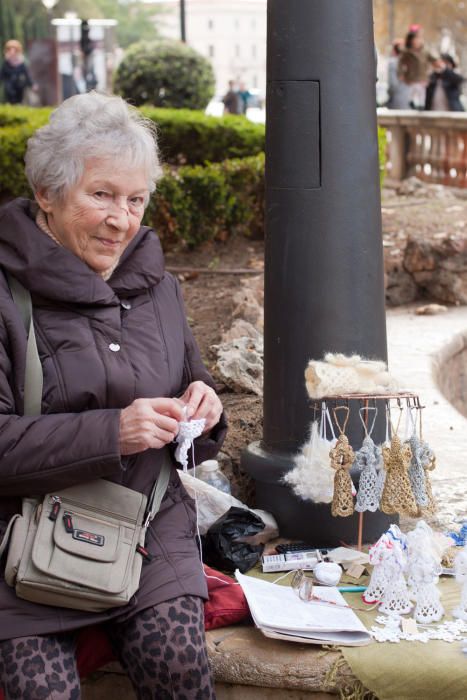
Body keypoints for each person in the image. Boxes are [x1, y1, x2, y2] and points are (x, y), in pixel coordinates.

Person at [0, 92, 226, 699]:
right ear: (47, 193)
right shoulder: (3, 292)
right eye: (100, 195)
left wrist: (204, 409)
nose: (121, 220)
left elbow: (190, 384)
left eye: (135, 200)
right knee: (39, 691)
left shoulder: (159, 286)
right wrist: (111, 431)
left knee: (180, 667)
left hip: (149, 523)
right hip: (20, 537)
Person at [397, 25, 434, 109]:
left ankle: (421, 105)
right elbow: (400, 63)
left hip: (422, 77)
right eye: (416, 39)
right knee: (413, 90)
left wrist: (437, 63)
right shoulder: (407, 52)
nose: (418, 41)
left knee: (421, 91)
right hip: (411, 77)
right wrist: (401, 74)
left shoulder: (425, 52)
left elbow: (433, 59)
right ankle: (412, 102)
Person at [0, 39, 35, 105]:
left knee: (19, 102)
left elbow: (27, 75)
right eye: (10, 49)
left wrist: (32, 84)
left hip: (19, 86)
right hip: (9, 87)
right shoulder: (6, 62)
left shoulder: (21, 62)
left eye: (14, 49)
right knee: (10, 100)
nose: (12, 52)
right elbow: (1, 74)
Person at [386, 39, 411, 109]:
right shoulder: (409, 63)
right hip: (408, 102)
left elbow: (393, 85)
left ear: (394, 50)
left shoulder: (393, 63)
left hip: (397, 102)